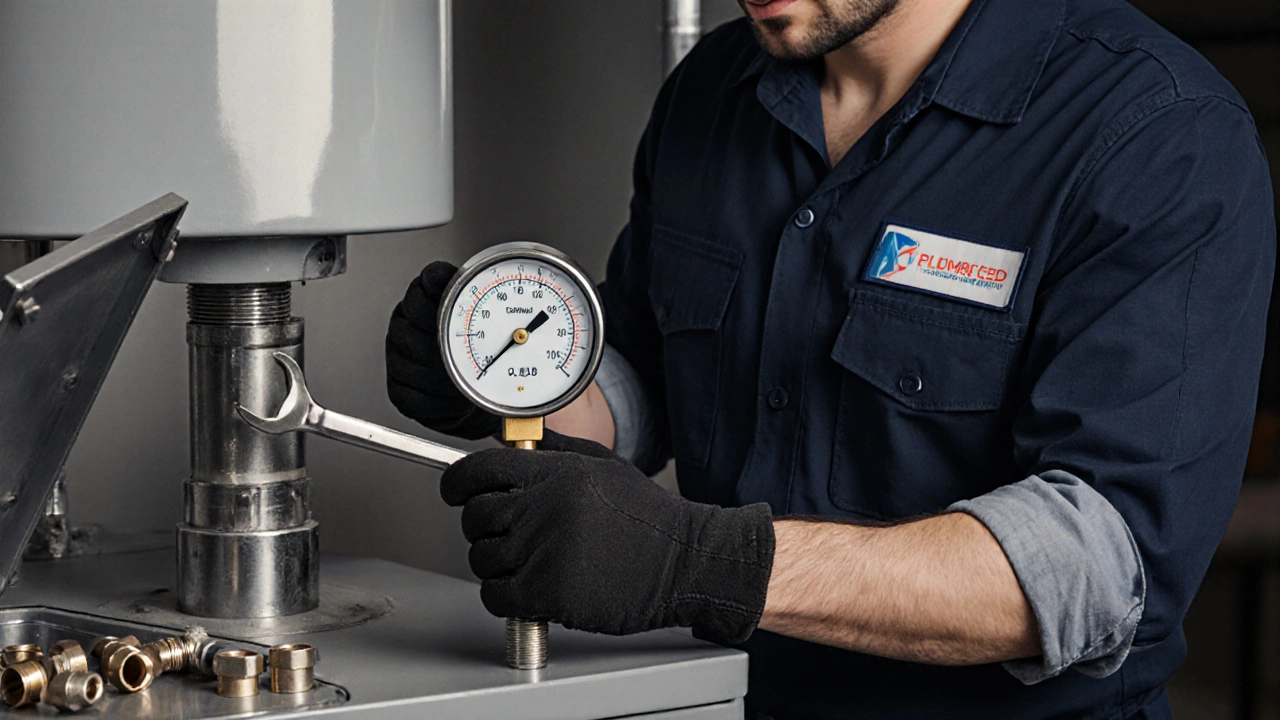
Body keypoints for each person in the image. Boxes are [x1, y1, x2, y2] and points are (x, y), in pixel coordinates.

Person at [385, 0, 1276, 717]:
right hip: (725, 701)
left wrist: (699, 563)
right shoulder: (713, 87)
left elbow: (1095, 567)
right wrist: (505, 383)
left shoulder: (1157, 132)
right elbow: (652, 376)